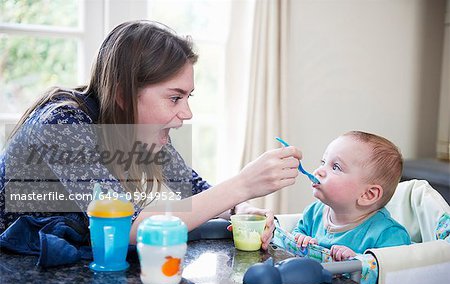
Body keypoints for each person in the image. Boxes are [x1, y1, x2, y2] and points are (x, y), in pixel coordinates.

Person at [0, 20, 302, 251]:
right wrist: (243, 184)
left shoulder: (141, 129)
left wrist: (242, 209)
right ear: (123, 94)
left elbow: (194, 190)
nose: (187, 113)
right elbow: (127, 226)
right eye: (174, 98)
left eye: (188, 98)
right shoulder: (62, 125)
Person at [292, 131, 411, 261]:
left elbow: (392, 271)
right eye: (323, 162)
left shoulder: (389, 234)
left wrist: (357, 259)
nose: (318, 171)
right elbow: (297, 232)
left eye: (336, 167)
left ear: (368, 195)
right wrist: (301, 239)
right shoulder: (314, 212)